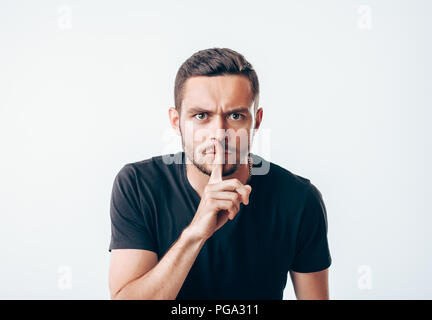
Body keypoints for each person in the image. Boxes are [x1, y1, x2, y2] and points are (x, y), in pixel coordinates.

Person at [108, 48, 332, 300]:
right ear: (176, 121)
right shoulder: (138, 185)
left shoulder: (299, 199)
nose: (219, 133)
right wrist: (194, 234)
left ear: (256, 121)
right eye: (201, 116)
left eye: (235, 116)